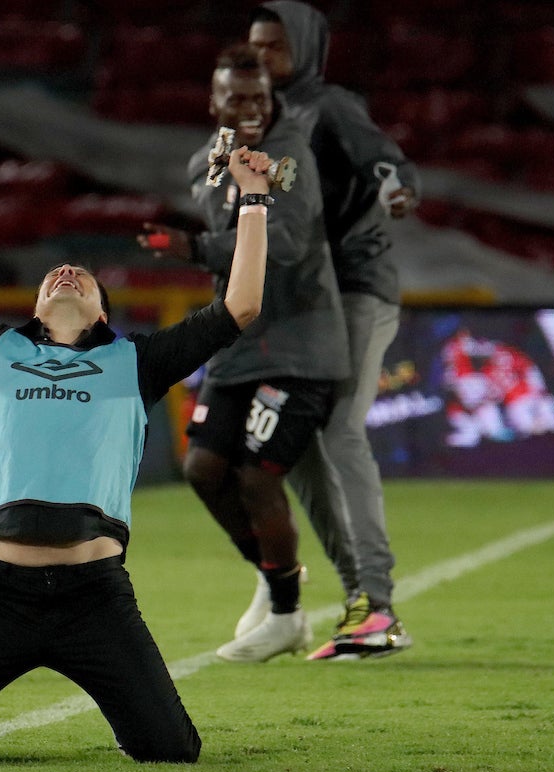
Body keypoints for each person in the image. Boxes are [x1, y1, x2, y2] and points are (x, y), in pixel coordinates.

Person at [0, 129, 271, 764]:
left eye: (83, 278)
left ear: (104, 316)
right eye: (56, 276)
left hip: (96, 597)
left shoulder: (136, 361)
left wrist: (255, 200)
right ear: (34, 308)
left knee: (171, 750)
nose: (66, 274)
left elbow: (241, 303)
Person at [138, 45, 349, 662]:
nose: (252, 109)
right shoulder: (206, 160)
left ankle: (286, 616)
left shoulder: (290, 158)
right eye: (238, 99)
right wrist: (203, 237)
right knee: (203, 468)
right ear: (216, 103)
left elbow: (283, 240)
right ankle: (274, 574)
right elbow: (218, 212)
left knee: (258, 474)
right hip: (238, 338)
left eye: (260, 97)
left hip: (296, 342)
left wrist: (195, 249)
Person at [248, 0, 418, 659]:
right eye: (255, 46)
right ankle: (339, 593)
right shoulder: (262, 122)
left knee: (342, 425)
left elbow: (390, 165)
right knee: (295, 446)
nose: (264, 57)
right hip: (302, 297)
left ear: (306, 48)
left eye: (276, 46)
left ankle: (377, 604)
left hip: (355, 288)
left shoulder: (331, 106)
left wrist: (398, 191)